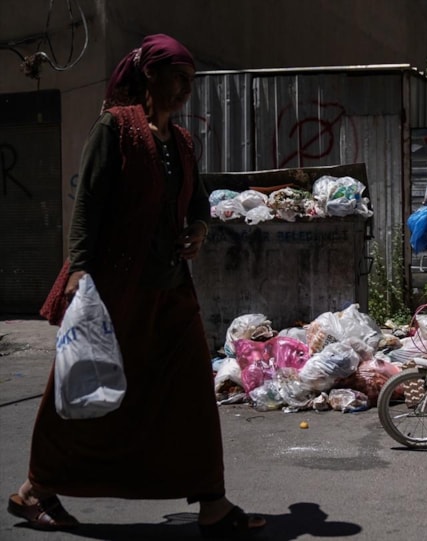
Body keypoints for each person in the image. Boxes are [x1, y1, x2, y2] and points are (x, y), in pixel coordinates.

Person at [7, 34, 266, 538]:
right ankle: (35, 489)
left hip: (172, 294)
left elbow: (197, 202)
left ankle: (212, 502)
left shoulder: (182, 142)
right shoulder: (116, 128)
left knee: (191, 395)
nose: (186, 89)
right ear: (150, 75)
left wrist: (199, 228)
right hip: (116, 291)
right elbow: (88, 203)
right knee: (82, 386)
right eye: (179, 78)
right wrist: (80, 268)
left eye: (191, 81)